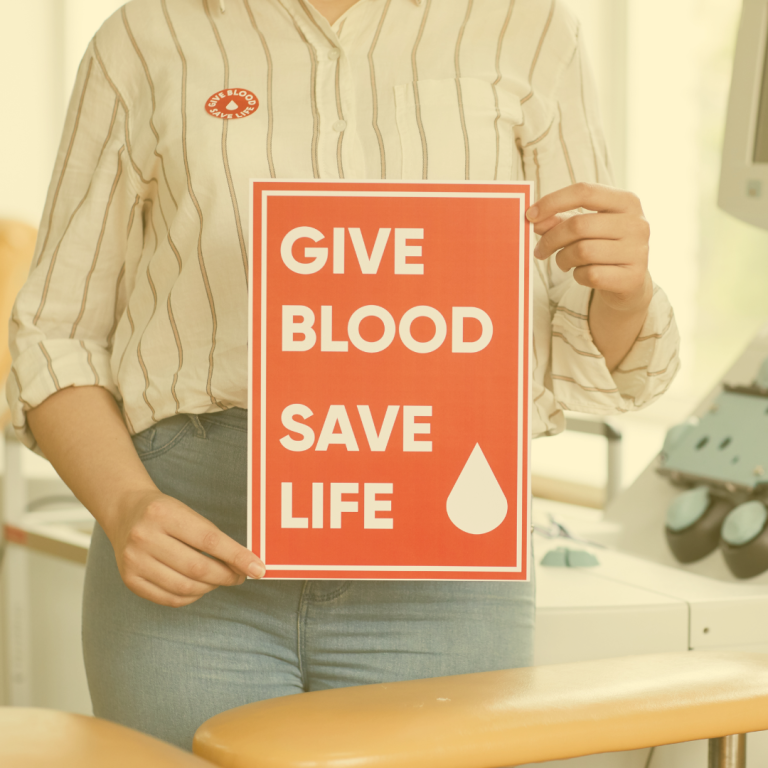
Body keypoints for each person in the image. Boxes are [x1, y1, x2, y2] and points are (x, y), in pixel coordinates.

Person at [7, 0, 679, 751]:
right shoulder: (145, 37)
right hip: (194, 549)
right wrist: (126, 503)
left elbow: (582, 325)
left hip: (443, 566)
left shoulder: (527, 26)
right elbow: (54, 332)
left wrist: (626, 296)